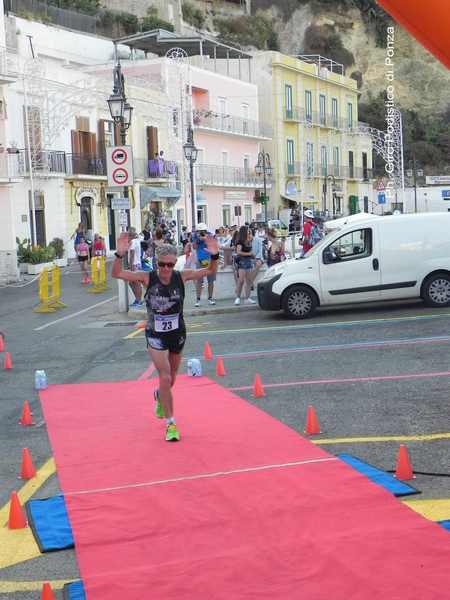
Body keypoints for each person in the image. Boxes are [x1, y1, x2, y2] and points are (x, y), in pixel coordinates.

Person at [112, 233, 220, 441]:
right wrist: (119, 254)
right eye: (162, 264)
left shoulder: (182, 276)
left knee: (171, 379)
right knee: (165, 376)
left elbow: (210, 271)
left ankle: (160, 396)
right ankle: (171, 424)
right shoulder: (147, 277)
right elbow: (117, 273)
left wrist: (214, 256)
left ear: (175, 264)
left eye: (170, 265)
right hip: (155, 335)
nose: (166, 269)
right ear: (157, 263)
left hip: (177, 333)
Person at [192, 222, 216, 307]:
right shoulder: (195, 236)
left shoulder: (209, 235)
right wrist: (198, 239)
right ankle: (198, 300)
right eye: (200, 231)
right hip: (200, 260)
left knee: (211, 281)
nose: (202, 232)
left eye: (203, 230)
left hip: (210, 260)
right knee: (199, 281)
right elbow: (194, 247)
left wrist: (205, 238)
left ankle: (210, 298)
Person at [234, 225, 256, 305]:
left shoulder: (248, 240)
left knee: (249, 281)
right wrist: (249, 253)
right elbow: (238, 252)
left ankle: (247, 298)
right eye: (248, 231)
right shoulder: (240, 241)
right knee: (241, 280)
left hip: (249, 261)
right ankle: (238, 298)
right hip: (242, 261)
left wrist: (252, 256)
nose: (249, 232)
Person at [128, 228, 144, 308]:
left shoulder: (133, 242)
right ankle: (138, 299)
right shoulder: (137, 241)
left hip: (134, 264)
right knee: (132, 283)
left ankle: (139, 300)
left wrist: (131, 266)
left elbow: (132, 255)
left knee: (136, 283)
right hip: (137, 263)